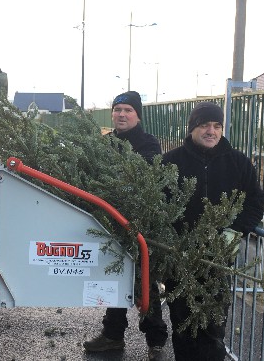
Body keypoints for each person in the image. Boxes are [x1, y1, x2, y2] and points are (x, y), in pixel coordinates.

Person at [161, 101, 264, 361]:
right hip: (179, 256)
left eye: (217, 126)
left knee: (213, 325)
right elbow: (157, 204)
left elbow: (255, 202)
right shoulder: (170, 162)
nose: (211, 131)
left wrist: (234, 230)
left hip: (217, 260)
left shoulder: (238, 162)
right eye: (205, 125)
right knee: (182, 322)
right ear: (192, 128)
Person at [83, 91, 168, 361]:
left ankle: (156, 341)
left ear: (138, 115)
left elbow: (144, 175)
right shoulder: (104, 144)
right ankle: (112, 335)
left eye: (127, 110)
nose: (121, 114)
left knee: (145, 280)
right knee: (113, 279)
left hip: (141, 225)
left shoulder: (148, 144)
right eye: (117, 109)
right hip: (110, 222)